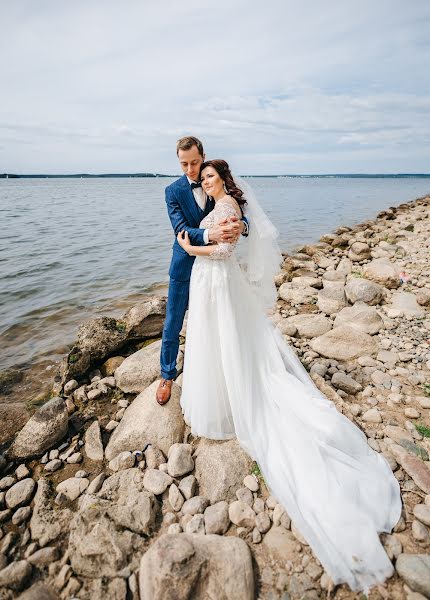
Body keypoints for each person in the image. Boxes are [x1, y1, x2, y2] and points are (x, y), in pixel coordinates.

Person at [176, 159, 402, 594]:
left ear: (224, 178)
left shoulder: (229, 210)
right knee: (219, 344)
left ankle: (233, 400)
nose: (204, 180)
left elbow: (224, 252)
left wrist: (191, 249)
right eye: (201, 176)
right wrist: (198, 242)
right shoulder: (218, 206)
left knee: (230, 344)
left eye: (209, 175)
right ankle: (222, 391)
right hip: (212, 284)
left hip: (219, 280)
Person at [157, 137, 249, 405]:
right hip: (185, 265)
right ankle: (167, 375)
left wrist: (241, 227)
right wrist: (212, 233)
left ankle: (218, 373)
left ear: (203, 156)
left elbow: (238, 210)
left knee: (213, 320)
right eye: (183, 163)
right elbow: (181, 230)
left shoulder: (213, 180)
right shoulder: (172, 191)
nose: (190, 169)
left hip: (213, 269)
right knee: (173, 321)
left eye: (194, 162)